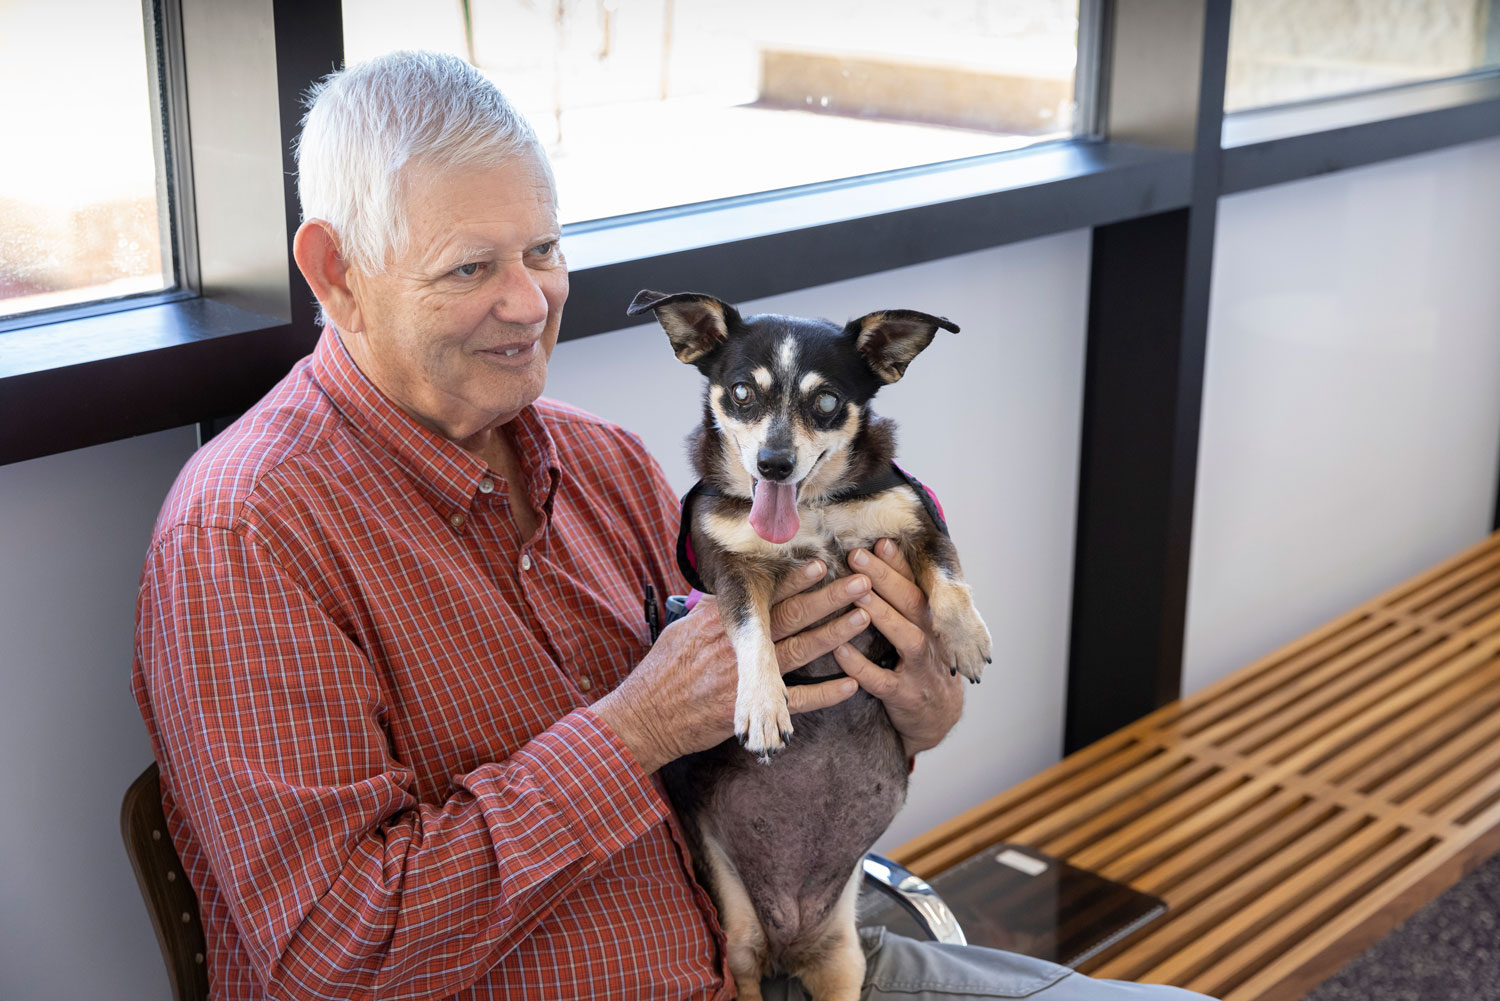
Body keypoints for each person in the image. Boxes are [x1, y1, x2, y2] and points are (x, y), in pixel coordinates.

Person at [131, 50, 1215, 1001]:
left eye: (543, 251)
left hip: (789, 955)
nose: (530, 301)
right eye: (471, 267)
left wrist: (911, 709)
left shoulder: (600, 461)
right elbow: (334, 949)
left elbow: (760, 723)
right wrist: (633, 731)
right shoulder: (247, 537)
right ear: (336, 272)